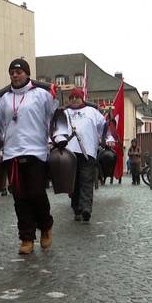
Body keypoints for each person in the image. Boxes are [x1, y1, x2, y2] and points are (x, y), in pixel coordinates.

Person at [0, 58, 56, 255]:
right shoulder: (5, 99)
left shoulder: (41, 95)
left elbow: (55, 117)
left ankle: (46, 226)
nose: (15, 75)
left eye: (19, 72)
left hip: (36, 152)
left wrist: (59, 137)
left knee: (37, 194)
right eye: (12, 72)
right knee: (20, 198)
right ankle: (26, 237)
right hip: (12, 154)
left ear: (27, 73)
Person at [60, 88, 110, 223]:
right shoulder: (64, 113)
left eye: (77, 97)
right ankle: (77, 209)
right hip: (69, 153)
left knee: (86, 180)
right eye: (71, 97)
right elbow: (57, 129)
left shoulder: (92, 112)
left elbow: (104, 126)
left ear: (82, 98)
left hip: (87, 152)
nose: (74, 100)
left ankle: (86, 208)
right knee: (74, 182)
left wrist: (104, 138)